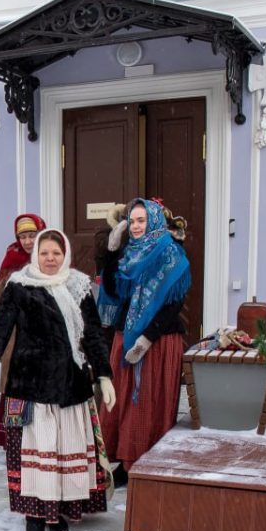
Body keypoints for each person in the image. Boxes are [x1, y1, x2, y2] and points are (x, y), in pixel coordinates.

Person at [0, 229, 117, 531]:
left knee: (61, 455)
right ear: (36, 255)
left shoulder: (78, 286)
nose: (50, 258)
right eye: (45, 252)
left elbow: (92, 335)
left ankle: (56, 511)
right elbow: (0, 332)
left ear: (65, 256)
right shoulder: (19, 286)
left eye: (56, 253)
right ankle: (33, 520)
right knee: (31, 459)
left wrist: (104, 375)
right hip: (29, 386)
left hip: (69, 385)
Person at [97, 198, 190, 480]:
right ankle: (122, 460)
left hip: (158, 341)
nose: (136, 227)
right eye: (132, 221)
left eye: (142, 221)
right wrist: (111, 252)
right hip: (125, 336)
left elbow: (173, 304)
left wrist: (147, 338)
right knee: (120, 399)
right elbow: (113, 290)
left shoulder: (172, 254)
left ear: (154, 221)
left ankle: (146, 460)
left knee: (147, 401)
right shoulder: (127, 254)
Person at [0, 212, 46, 447]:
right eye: (24, 237)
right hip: (16, 341)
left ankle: (42, 440)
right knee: (17, 392)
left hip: (45, 340)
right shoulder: (10, 264)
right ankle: (16, 440)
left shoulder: (51, 259)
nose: (28, 241)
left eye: (32, 235)